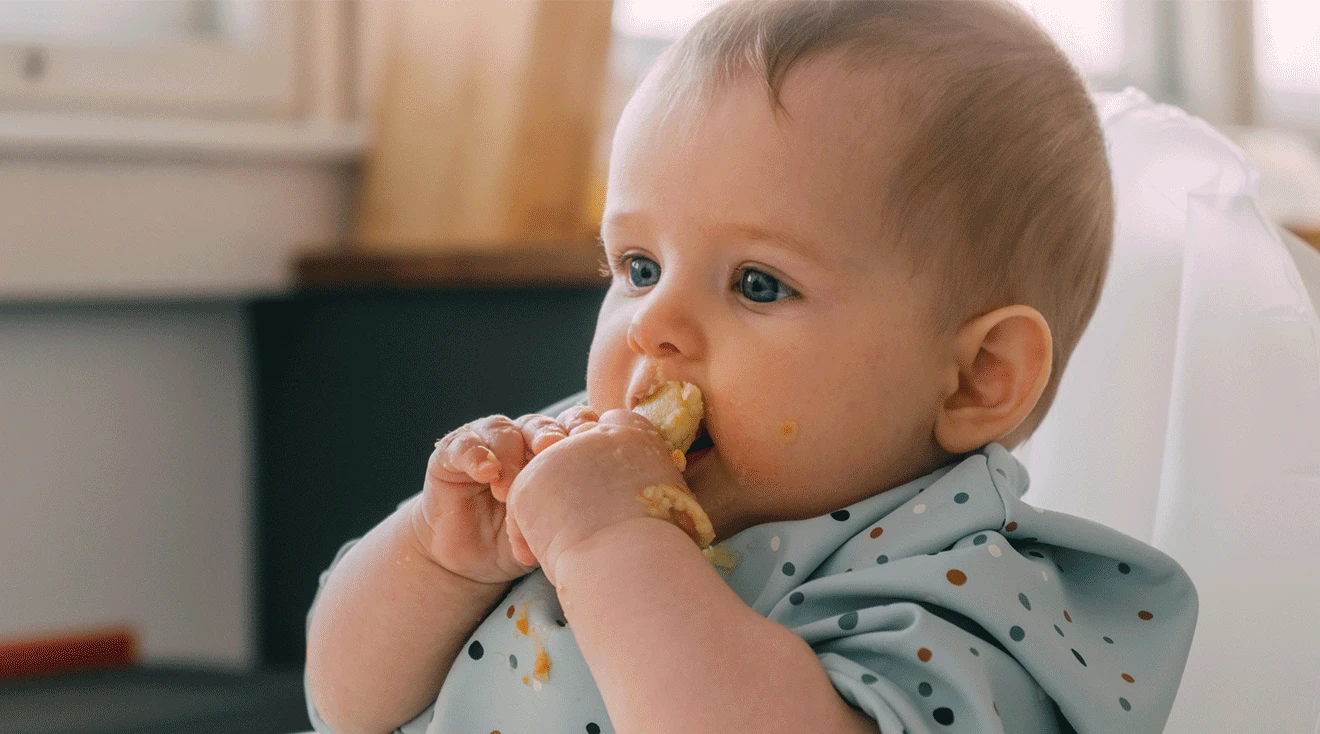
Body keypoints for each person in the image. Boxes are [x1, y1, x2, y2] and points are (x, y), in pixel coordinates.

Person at [304, 2, 1197, 732]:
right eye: (638, 268)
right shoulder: (574, 481)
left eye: (758, 283)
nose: (654, 323)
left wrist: (613, 546)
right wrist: (439, 558)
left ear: (976, 377)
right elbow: (342, 705)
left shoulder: (962, 596)